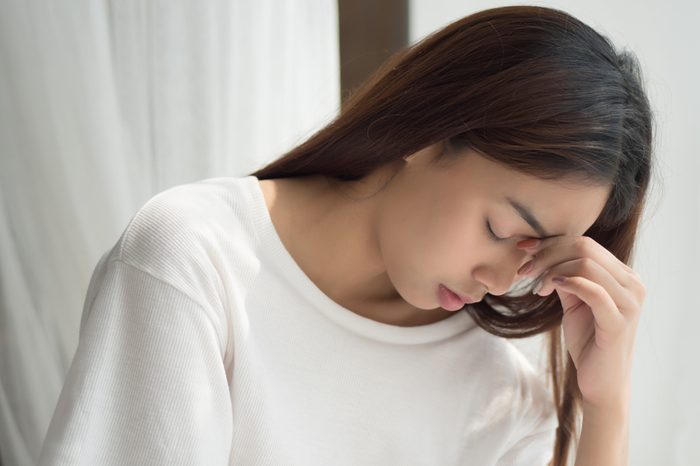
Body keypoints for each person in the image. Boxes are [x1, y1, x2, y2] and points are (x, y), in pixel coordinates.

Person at [38, 5, 654, 466]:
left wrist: (606, 405)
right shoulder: (194, 258)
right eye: (500, 229)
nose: (499, 280)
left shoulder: (500, 398)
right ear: (429, 132)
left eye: (533, 260)